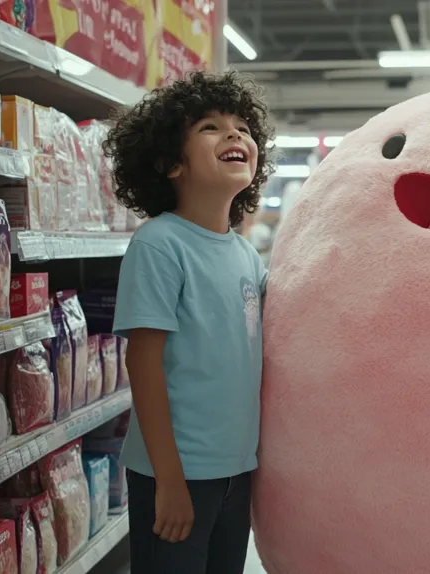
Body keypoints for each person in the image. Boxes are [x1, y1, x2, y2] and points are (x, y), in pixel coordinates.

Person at [102, 70, 275, 574]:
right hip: (174, 474)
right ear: (168, 162)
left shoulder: (246, 256)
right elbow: (144, 362)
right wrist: (169, 480)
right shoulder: (160, 244)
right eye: (211, 127)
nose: (235, 135)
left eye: (243, 126)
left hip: (235, 471)